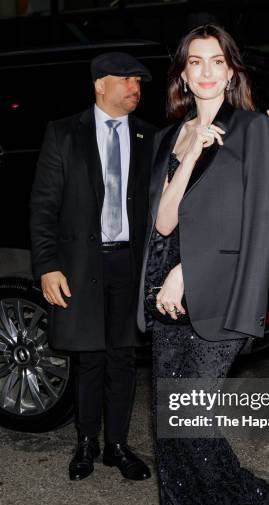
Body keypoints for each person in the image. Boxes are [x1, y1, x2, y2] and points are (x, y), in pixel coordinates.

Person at [137, 24, 269, 505]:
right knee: (168, 426)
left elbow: (258, 225)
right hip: (163, 296)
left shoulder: (252, 131)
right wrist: (193, 153)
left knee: (190, 421)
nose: (204, 71)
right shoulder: (168, 138)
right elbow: (165, 220)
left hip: (216, 295)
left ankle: (247, 499)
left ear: (231, 70)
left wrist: (188, 273)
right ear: (182, 73)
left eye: (215, 61)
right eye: (193, 62)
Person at [30, 52, 156, 482]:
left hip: (128, 262)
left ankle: (117, 446)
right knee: (88, 358)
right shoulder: (64, 133)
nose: (136, 87)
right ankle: (86, 442)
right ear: (100, 84)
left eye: (139, 81)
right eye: (127, 79)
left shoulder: (148, 137)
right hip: (82, 262)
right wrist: (47, 265)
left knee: (122, 358)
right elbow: (44, 206)